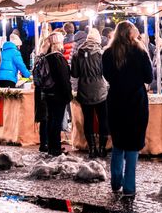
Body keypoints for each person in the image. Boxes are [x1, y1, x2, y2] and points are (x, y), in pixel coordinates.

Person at [102, 21, 153, 197]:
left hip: (116, 100)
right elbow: (149, 77)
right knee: (133, 145)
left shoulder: (108, 53)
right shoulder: (140, 51)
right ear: (132, 34)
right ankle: (129, 187)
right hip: (136, 102)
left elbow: (107, 75)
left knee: (118, 143)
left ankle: (116, 181)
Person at [71, 29, 109, 158]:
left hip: (84, 90)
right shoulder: (101, 54)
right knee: (103, 119)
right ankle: (102, 148)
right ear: (97, 40)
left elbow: (75, 74)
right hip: (100, 91)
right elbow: (106, 72)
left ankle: (92, 149)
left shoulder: (77, 54)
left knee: (88, 120)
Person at [37, 32, 71, 156]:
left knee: (51, 120)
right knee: (56, 122)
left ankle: (52, 147)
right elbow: (63, 79)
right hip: (58, 95)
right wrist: (68, 95)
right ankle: (55, 148)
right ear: (58, 43)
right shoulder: (58, 58)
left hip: (48, 93)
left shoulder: (46, 57)